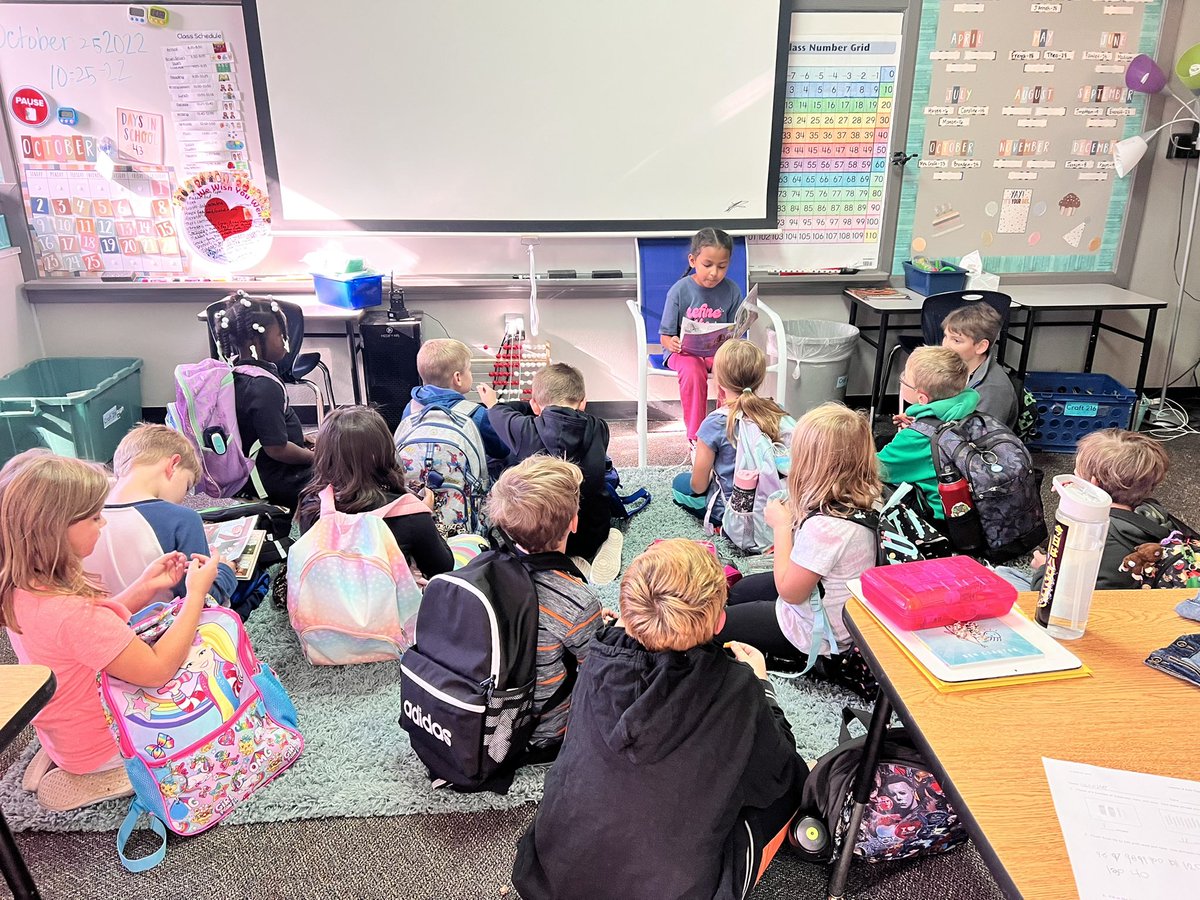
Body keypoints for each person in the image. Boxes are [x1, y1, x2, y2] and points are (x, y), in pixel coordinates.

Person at [512, 539, 808, 900]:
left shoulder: (596, 661)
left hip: (550, 875)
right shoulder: (737, 687)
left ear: (627, 613)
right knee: (790, 783)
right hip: (672, 891)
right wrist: (762, 685)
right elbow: (779, 769)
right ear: (720, 621)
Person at [0, 451, 219, 811]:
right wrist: (196, 594)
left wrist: (143, 588)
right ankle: (115, 773)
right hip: (103, 747)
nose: (103, 524)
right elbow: (156, 670)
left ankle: (66, 756)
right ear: (57, 530)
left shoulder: (22, 587)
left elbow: (87, 636)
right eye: (95, 517)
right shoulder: (74, 613)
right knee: (202, 669)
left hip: (64, 729)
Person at [716, 404, 880, 697]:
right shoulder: (861, 497)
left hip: (818, 635)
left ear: (813, 464)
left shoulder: (827, 528)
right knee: (739, 592)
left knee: (716, 628)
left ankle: (789, 657)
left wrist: (781, 527)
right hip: (824, 600)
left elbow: (791, 592)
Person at [485, 456, 603, 753]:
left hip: (484, 716)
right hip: (541, 734)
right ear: (573, 523)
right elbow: (597, 671)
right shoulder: (578, 601)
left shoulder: (480, 572)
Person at [478, 363, 624, 585]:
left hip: (544, 540)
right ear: (583, 402)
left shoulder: (524, 430)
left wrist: (492, 402)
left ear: (535, 406)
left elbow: (500, 413)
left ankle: (564, 561)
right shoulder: (599, 426)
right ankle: (600, 545)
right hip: (593, 529)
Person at [86, 424, 238, 608]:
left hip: (104, 621)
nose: (183, 498)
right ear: (173, 464)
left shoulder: (84, 512)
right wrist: (225, 572)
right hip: (160, 627)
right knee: (252, 581)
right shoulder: (183, 519)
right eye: (187, 486)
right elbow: (204, 600)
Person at [296, 406, 454, 579]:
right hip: (390, 604)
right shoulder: (411, 515)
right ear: (385, 453)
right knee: (469, 543)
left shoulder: (312, 503)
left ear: (322, 455)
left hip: (328, 601)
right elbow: (442, 568)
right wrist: (426, 513)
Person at [1019, 428, 1185, 591]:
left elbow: (1053, 594)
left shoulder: (1093, 535)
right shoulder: (1153, 514)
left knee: (1004, 575)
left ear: (1093, 484)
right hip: (1139, 592)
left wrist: (1044, 568)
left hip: (1097, 606)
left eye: (1076, 476)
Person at [672, 339, 792, 524]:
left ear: (718, 379)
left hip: (732, 513)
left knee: (680, 484)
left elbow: (698, 486)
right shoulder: (775, 411)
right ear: (759, 378)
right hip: (776, 506)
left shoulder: (714, 423)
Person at [211, 293, 313, 509]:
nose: (285, 344)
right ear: (253, 341)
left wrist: (303, 441)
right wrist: (316, 458)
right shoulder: (264, 386)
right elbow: (277, 449)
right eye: (280, 336)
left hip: (255, 473)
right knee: (345, 473)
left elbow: (262, 430)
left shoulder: (239, 372)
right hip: (272, 478)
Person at [659, 228, 744, 445]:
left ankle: (727, 428)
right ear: (693, 260)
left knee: (730, 366)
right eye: (708, 265)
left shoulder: (732, 290)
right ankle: (697, 438)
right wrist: (674, 342)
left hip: (717, 352)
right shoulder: (679, 290)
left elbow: (735, 332)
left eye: (722, 266)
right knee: (693, 369)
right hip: (684, 353)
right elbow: (665, 336)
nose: (714, 272)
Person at [878, 346, 977, 519]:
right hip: (972, 507)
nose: (901, 379)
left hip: (940, 520)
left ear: (922, 398)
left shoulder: (914, 438)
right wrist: (920, 422)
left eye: (905, 378)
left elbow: (875, 468)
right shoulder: (970, 409)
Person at [401, 338, 511, 477]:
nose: (470, 374)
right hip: (462, 494)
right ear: (458, 378)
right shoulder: (476, 414)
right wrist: (494, 407)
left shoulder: (410, 408)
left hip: (417, 492)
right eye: (469, 370)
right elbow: (502, 450)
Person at [940, 303, 1017, 428]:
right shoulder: (957, 368)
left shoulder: (992, 390)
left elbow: (981, 439)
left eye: (956, 340)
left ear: (981, 347)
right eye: (945, 336)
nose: (945, 345)